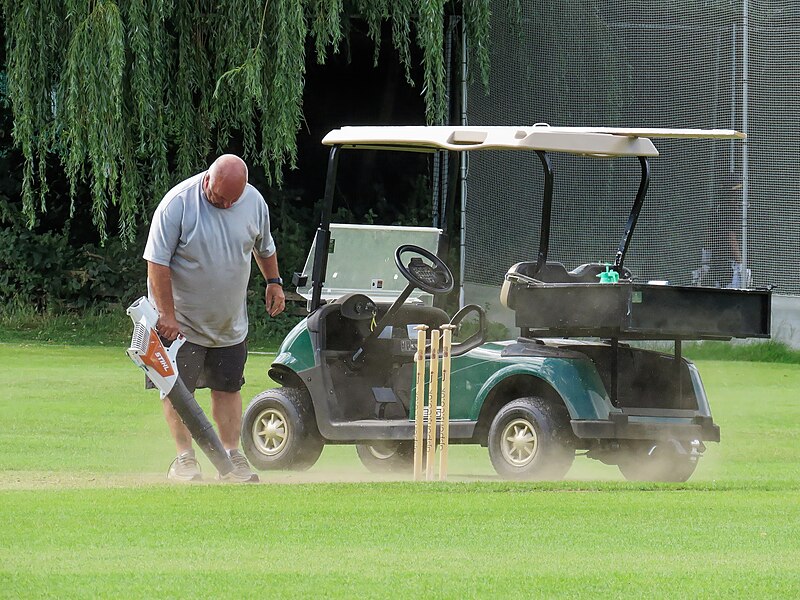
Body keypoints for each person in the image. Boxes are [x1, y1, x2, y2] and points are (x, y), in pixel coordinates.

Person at [143, 154, 286, 482]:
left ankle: (231, 457)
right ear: (208, 177)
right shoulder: (178, 204)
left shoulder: (254, 203)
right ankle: (184, 460)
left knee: (228, 388)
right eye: (216, 194)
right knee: (177, 390)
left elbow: (264, 247)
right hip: (181, 324)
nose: (220, 202)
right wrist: (166, 314)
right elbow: (157, 263)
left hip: (228, 323)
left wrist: (273, 282)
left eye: (229, 200)